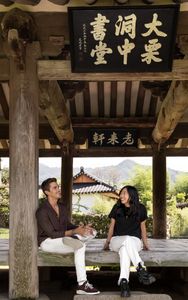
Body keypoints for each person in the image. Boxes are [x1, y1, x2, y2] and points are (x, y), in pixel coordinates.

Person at [36, 177, 100, 295]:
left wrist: (82, 229)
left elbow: (68, 225)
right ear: (47, 192)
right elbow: (51, 234)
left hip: (63, 240)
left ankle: (77, 238)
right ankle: (82, 284)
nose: (58, 189)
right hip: (48, 242)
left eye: (58, 187)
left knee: (92, 233)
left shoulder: (62, 207)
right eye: (55, 187)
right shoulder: (42, 211)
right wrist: (74, 232)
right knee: (79, 245)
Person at [103, 185, 156, 298]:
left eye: (124, 193)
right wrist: (107, 243)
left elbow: (143, 228)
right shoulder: (116, 207)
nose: (121, 195)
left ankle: (124, 282)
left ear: (131, 195)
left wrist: (146, 244)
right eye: (121, 193)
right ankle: (140, 267)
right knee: (125, 239)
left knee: (124, 251)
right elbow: (111, 227)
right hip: (117, 240)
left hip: (134, 241)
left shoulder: (141, 208)